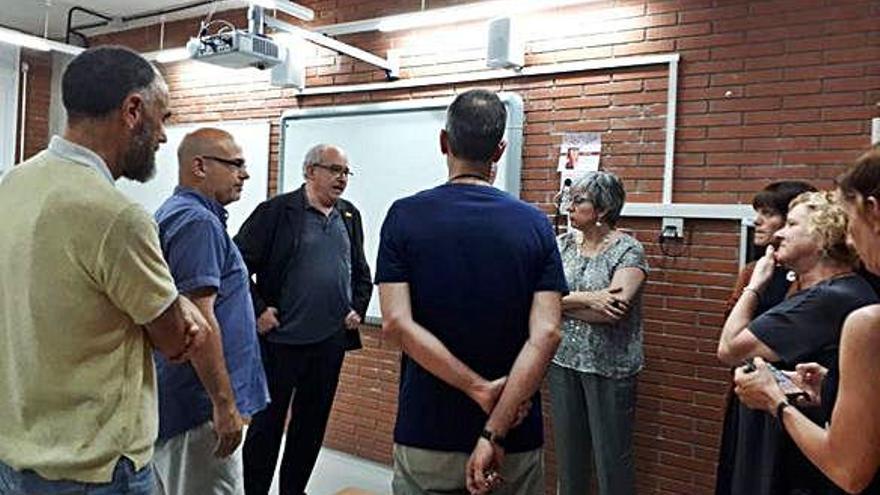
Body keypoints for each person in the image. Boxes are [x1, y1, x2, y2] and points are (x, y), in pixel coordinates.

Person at [0, 46, 208, 494]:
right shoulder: (116, 216)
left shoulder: (12, 184)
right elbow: (176, 340)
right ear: (133, 110)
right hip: (95, 470)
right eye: (163, 117)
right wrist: (182, 306)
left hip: (16, 458)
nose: (164, 137)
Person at [375, 89, 568, 495]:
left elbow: (395, 323)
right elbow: (548, 333)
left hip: (427, 429)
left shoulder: (403, 215)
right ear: (500, 151)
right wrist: (495, 428)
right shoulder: (534, 224)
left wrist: (477, 388)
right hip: (514, 434)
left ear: (444, 142)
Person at [734, 149, 880, 494]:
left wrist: (775, 400)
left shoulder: (866, 320)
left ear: (873, 212)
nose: (849, 238)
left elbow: (849, 470)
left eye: (851, 220)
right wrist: (830, 390)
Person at [235, 144, 372, 495]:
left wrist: (358, 305)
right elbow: (234, 267)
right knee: (267, 428)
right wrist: (258, 309)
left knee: (310, 428)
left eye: (345, 172)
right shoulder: (276, 212)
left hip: (328, 344)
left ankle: (293, 490)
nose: (342, 178)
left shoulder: (349, 216)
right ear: (310, 172)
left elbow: (361, 272)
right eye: (334, 170)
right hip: (281, 343)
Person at [151, 128, 270, 495]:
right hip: (198, 411)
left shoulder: (185, 214)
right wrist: (224, 404)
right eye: (235, 165)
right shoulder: (197, 223)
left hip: (187, 405)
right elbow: (199, 322)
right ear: (199, 166)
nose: (245, 174)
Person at [548, 171, 647, 495]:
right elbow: (538, 299)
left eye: (578, 200)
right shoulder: (561, 245)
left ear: (602, 209)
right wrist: (590, 297)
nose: (569, 207)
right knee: (568, 457)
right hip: (563, 362)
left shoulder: (628, 250)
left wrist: (562, 302)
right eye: (569, 199)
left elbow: (613, 310)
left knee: (612, 460)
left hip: (610, 369)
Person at [715, 181, 817, 495]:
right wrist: (752, 286)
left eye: (768, 213)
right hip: (750, 390)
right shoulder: (753, 271)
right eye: (756, 212)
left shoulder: (813, 280)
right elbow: (728, 340)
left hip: (796, 395)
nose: (757, 221)